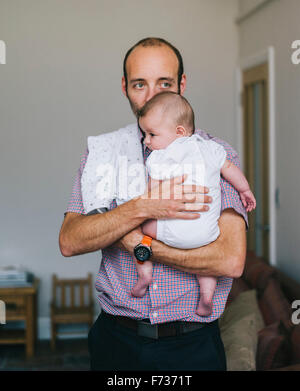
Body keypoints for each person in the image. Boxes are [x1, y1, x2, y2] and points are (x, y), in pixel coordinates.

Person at [59, 37, 248, 371]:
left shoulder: (213, 153)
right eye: (139, 84)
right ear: (124, 87)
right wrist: (143, 207)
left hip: (193, 344)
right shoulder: (103, 153)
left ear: (182, 85)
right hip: (117, 341)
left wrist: (137, 243)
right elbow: (71, 240)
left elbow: (231, 260)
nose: (153, 96)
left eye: (164, 83)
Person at [127, 91, 255, 318]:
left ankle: (144, 275)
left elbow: (153, 197)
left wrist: (145, 206)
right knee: (205, 261)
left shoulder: (159, 157)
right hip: (206, 232)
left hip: (172, 230)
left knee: (140, 230)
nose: (146, 141)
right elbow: (231, 170)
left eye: (152, 134)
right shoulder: (212, 148)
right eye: (145, 134)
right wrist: (244, 190)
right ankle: (206, 297)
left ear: (179, 132)